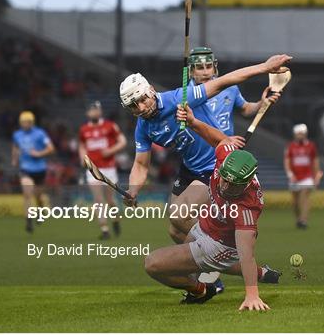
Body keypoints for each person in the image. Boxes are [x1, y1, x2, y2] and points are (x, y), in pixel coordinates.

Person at [120, 54, 292, 245]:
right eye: (133, 106)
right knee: (176, 232)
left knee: (178, 215)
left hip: (214, 165)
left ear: (151, 90)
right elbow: (141, 165)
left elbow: (224, 81)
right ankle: (209, 267)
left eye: (142, 99)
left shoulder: (180, 98)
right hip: (189, 168)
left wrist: (265, 67)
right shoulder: (143, 126)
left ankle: (225, 246)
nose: (141, 108)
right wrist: (133, 190)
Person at [144, 100, 281, 311]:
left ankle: (201, 290)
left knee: (152, 263)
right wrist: (193, 122)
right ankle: (263, 273)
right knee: (176, 231)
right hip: (208, 223)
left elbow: (246, 254)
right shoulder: (225, 157)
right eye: (223, 178)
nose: (224, 185)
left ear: (245, 184)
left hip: (220, 246)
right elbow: (220, 140)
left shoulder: (247, 209)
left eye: (232, 184)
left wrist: (252, 295)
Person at [188, 47, 271, 135]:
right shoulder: (184, 96)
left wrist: (261, 104)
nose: (206, 72)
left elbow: (246, 109)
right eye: (200, 68)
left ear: (214, 66)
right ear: (191, 71)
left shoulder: (229, 88)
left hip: (226, 147)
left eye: (209, 66)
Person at [78, 101, 127, 239]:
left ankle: (116, 220)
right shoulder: (84, 130)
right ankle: (105, 229)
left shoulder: (110, 126)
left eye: (96, 109)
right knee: (98, 200)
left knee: (110, 200)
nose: (94, 112)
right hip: (92, 168)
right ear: (87, 113)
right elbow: (82, 145)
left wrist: (110, 150)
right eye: (91, 110)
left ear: (100, 112)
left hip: (109, 168)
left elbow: (122, 141)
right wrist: (82, 157)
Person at [11, 111, 55, 233]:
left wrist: (39, 154)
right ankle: (29, 220)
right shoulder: (17, 135)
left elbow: (51, 148)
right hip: (25, 168)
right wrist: (14, 159)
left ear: (31, 122)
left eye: (27, 122)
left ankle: (40, 210)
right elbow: (15, 147)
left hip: (40, 169)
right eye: (23, 122)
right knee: (27, 194)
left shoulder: (40, 133)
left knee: (38, 196)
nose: (24, 124)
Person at [284, 123, 323, 229]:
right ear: (295, 134)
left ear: (305, 134)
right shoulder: (291, 146)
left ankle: (304, 220)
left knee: (305, 196)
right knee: (295, 202)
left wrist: (317, 174)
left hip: (307, 176)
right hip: (295, 177)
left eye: (302, 133)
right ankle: (298, 219)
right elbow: (287, 161)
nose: (300, 135)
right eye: (298, 134)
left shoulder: (311, 146)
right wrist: (290, 174)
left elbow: (315, 160)